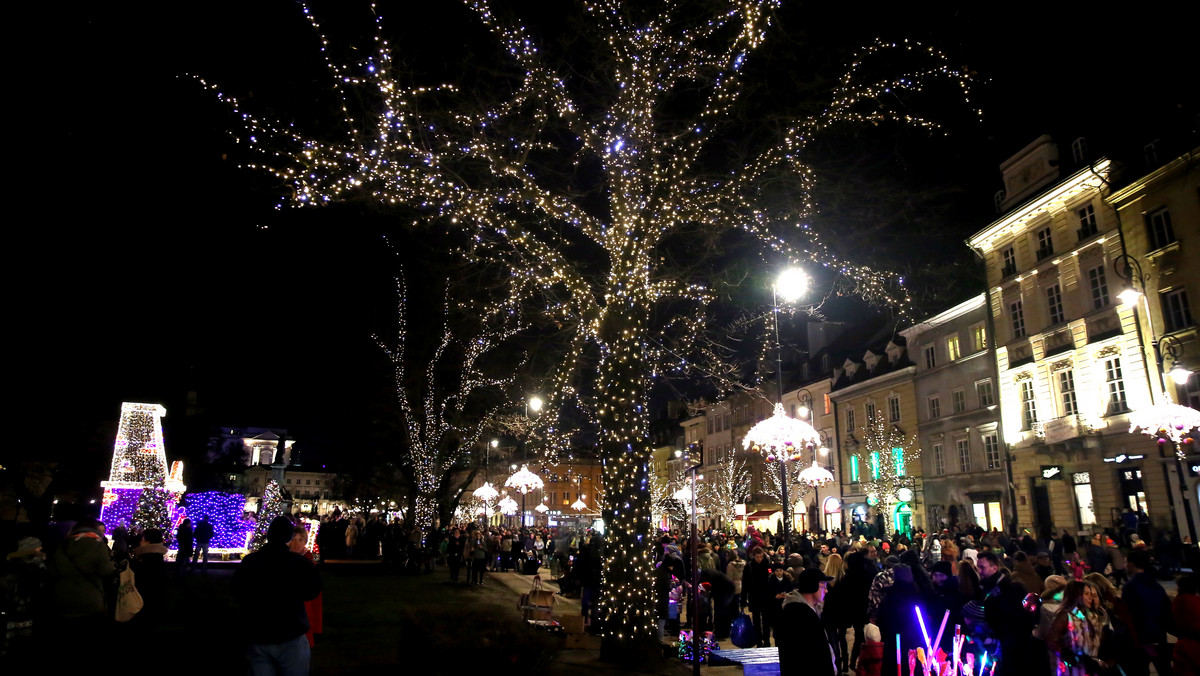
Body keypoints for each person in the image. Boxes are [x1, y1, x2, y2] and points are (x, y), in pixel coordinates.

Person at [233, 516, 322, 676]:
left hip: (258, 634)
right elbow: (312, 591)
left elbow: (238, 592)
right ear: (288, 537)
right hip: (290, 633)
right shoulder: (300, 564)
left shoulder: (250, 561)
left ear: (269, 535)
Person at [44, 517, 115, 655]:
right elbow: (106, 570)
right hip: (89, 599)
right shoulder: (97, 544)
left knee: (64, 638)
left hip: (62, 597)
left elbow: (52, 570)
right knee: (87, 639)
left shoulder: (64, 544)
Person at [1122, 549, 1174, 676]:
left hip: (1141, 637)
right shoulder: (1156, 585)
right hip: (1159, 634)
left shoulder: (1130, 587)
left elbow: (1128, 614)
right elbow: (1167, 610)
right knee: (1165, 669)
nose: (1125, 565)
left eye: (1127, 562)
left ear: (1132, 564)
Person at [778, 568, 836, 676]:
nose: (826, 591)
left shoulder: (806, 610)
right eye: (823, 586)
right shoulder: (800, 614)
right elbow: (812, 654)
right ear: (812, 586)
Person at [1047, 580, 1109, 676]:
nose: (1090, 597)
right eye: (1086, 594)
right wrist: (1068, 655)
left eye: (1091, 594)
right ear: (1076, 595)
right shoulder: (1066, 615)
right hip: (1072, 670)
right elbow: (1051, 641)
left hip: (1091, 669)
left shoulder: (1093, 616)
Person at [288, 525, 323, 648]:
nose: (296, 544)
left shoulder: (308, 561)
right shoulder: (286, 559)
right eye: (293, 539)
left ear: (305, 542)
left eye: (300, 540)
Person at [742, 546, 773, 647]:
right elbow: (745, 584)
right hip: (754, 596)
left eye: (761, 557)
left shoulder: (767, 566)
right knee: (756, 620)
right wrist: (743, 599)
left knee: (766, 620)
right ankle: (759, 640)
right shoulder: (749, 567)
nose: (759, 559)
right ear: (754, 556)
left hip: (765, 596)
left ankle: (766, 640)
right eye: (757, 557)